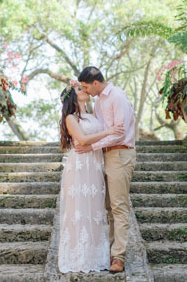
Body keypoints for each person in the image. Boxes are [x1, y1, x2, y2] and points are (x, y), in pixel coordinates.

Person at [57, 83, 124, 274]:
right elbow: (84, 140)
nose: (84, 91)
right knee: (79, 209)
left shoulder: (93, 115)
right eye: (79, 90)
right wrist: (110, 131)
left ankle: (96, 256)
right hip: (80, 165)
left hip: (95, 165)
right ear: (73, 98)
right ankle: (79, 258)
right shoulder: (71, 118)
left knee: (95, 210)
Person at [75, 66, 136, 274]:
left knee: (119, 205)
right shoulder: (99, 101)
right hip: (105, 155)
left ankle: (119, 256)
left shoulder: (117, 97)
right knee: (109, 207)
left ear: (95, 83)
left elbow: (120, 133)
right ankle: (112, 251)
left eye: (85, 87)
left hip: (120, 153)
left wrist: (90, 147)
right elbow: (102, 132)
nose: (86, 91)